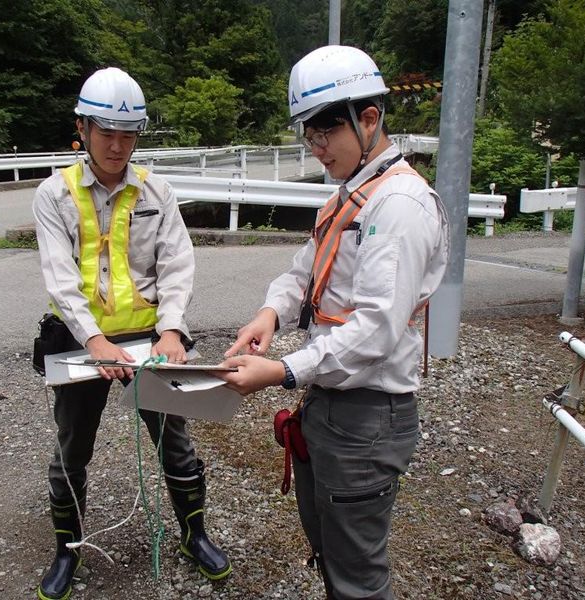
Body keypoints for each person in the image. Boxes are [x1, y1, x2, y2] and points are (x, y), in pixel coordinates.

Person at [217, 46, 449, 600]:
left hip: (368, 415)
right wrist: (270, 313)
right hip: (328, 403)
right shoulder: (350, 197)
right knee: (330, 546)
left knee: (358, 575)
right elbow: (304, 271)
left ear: (369, 118)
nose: (317, 149)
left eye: (326, 134)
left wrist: (279, 370)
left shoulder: (398, 208)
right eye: (309, 136)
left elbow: (373, 329)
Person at [32, 66, 231, 600]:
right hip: (81, 341)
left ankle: (195, 535)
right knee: (73, 448)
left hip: (150, 338)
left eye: (129, 134)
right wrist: (95, 342)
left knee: (175, 441)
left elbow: (177, 264)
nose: (118, 145)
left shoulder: (156, 191)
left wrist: (171, 331)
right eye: (106, 133)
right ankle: (66, 552)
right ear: (83, 128)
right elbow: (59, 277)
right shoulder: (54, 195)